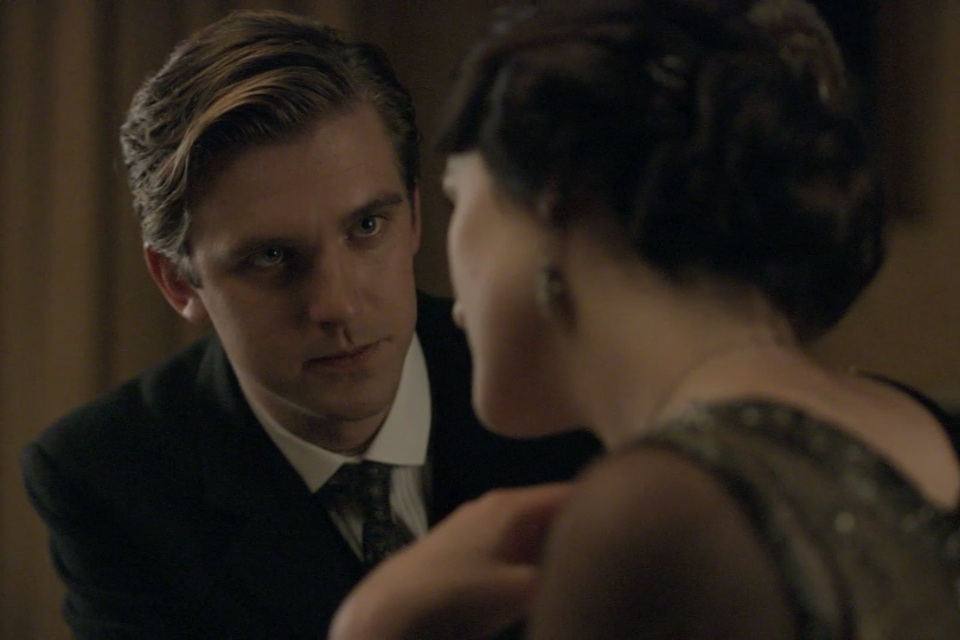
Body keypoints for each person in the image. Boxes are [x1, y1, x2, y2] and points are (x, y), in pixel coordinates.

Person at [328, 1, 960, 638]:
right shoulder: (925, 427)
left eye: (456, 196)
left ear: (553, 197)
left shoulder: (658, 509)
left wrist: (370, 628)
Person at [20, 10, 601, 640]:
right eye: (271, 257)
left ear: (413, 217)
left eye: (366, 227)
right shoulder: (107, 478)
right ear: (179, 282)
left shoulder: (570, 384)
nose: (336, 305)